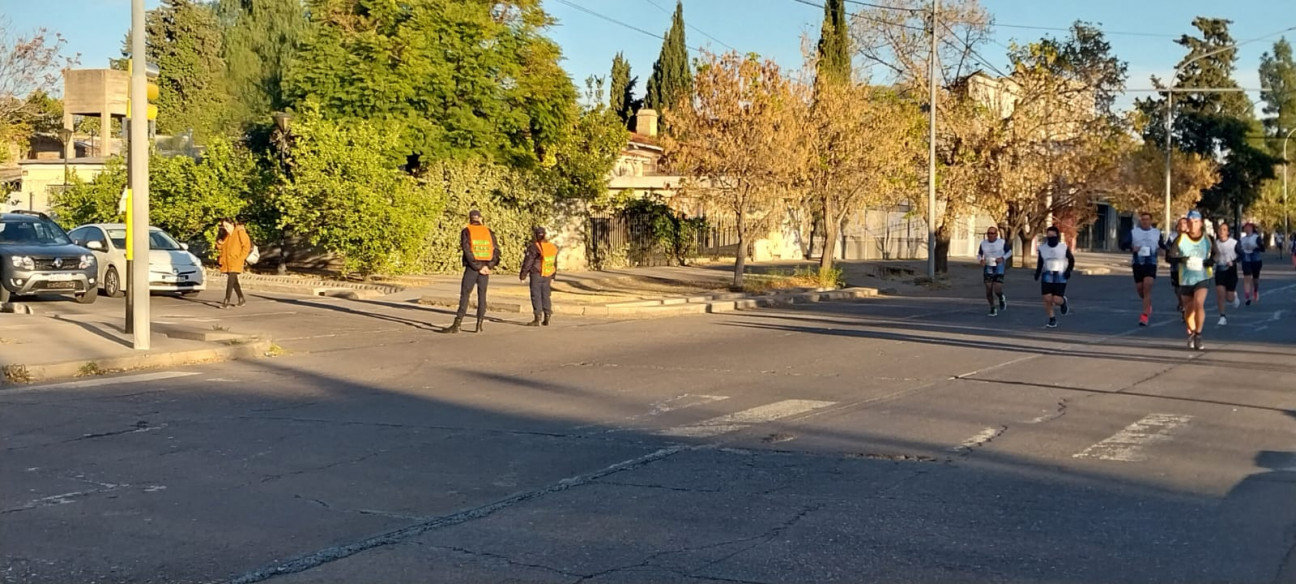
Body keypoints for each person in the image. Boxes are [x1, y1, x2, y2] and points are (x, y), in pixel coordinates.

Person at [444, 210, 500, 334]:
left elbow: (467, 250)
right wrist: (488, 266)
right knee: (482, 295)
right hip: (485, 269)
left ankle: (457, 324)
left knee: (465, 294)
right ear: (480, 218)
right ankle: (479, 325)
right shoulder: (489, 232)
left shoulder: (467, 231)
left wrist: (477, 266)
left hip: (472, 268)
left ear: (470, 219)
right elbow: (496, 251)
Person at [1172, 211, 1216, 350]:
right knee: (1189, 309)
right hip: (1185, 278)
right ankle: (1191, 333)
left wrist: (1210, 261)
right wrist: (1182, 259)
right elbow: (1170, 256)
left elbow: (1215, 254)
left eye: (1195, 222)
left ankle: (1198, 334)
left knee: (1198, 303)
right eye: (1190, 222)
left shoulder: (1207, 239)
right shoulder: (1180, 239)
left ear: (1201, 223)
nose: (1192, 225)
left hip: (1202, 276)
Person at [1122, 212, 1161, 326]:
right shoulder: (1134, 232)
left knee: (1147, 285)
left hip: (1151, 263)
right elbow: (1123, 244)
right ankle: (1147, 303)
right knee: (1140, 289)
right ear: (1140, 221)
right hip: (1138, 264)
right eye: (1143, 219)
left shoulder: (1156, 233)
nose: (1145, 221)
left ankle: (1144, 316)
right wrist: (1131, 247)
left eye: (1147, 219)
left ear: (1151, 221)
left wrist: (1166, 251)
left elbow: (1163, 245)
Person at [1034, 226, 1075, 329]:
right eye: (1049, 236)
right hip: (1047, 274)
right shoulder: (1042, 248)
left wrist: (1068, 271)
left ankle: (1063, 302)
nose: (1051, 238)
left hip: (1060, 275)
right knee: (1047, 298)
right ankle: (1052, 319)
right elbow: (1040, 262)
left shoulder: (1063, 247)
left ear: (1057, 236)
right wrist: (1037, 273)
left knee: (1056, 299)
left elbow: (1071, 260)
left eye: (1053, 236)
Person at [519, 226, 558, 327]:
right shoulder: (551, 247)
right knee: (546, 296)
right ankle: (547, 317)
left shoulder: (534, 247)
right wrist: (553, 276)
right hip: (548, 274)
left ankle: (538, 318)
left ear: (536, 235)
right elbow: (554, 262)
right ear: (545, 235)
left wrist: (523, 275)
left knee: (536, 295)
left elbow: (528, 262)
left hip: (536, 274)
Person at [216, 217, 251, 309]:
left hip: (236, 260)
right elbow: (222, 247)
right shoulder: (227, 236)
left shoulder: (240, 232)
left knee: (230, 281)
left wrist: (241, 258)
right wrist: (219, 242)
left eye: (227, 226)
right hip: (228, 261)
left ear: (232, 224)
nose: (226, 229)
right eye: (224, 227)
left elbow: (246, 246)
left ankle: (226, 300)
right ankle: (241, 298)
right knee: (234, 281)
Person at [977, 226, 1011, 316]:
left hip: (999, 266)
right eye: (988, 233)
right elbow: (979, 254)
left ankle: (1001, 297)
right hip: (988, 266)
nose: (990, 235)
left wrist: (1003, 258)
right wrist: (981, 260)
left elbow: (1009, 252)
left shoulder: (1002, 242)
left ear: (996, 234)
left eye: (992, 233)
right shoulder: (983, 243)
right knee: (988, 289)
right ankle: (992, 307)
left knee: (997, 288)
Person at [1213, 222, 1240, 326]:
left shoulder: (1234, 243)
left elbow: (1241, 255)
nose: (1222, 232)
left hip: (1231, 270)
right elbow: (1213, 255)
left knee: (1229, 297)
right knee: (1220, 294)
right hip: (1220, 270)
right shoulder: (1215, 244)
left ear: (1228, 232)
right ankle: (1222, 316)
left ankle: (1234, 297)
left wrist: (1233, 261)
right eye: (1220, 229)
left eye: (1224, 230)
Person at [1164, 217, 1190, 317]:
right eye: (1180, 223)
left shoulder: (1191, 237)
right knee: (1177, 288)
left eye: (1185, 223)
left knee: (1186, 287)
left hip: (1188, 268)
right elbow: (1168, 250)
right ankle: (1181, 302)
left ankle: (1185, 307)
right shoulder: (1172, 237)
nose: (1182, 225)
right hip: (1175, 266)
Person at [1238, 222, 1265, 305]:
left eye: (1249, 227)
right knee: (1247, 278)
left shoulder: (1256, 237)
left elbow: (1263, 249)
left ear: (1252, 229)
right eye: (1246, 228)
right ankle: (1247, 297)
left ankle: (1255, 290)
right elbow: (1238, 249)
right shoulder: (1242, 239)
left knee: (1255, 278)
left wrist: (1258, 246)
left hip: (1255, 258)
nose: (1247, 229)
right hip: (1246, 258)